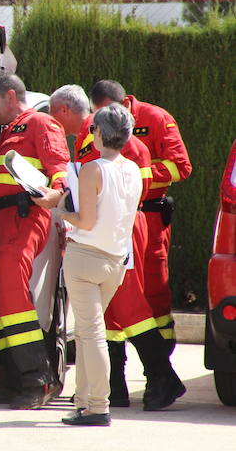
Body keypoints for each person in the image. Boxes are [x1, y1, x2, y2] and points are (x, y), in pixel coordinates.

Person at [58, 85, 186, 410]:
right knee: (113, 312)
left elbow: (116, 196)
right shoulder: (107, 145)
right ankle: (115, 386)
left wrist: (66, 208)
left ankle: (162, 377)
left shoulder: (120, 148)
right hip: (116, 231)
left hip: (117, 231)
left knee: (129, 307)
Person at [51, 103, 143, 426]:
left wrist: (61, 212)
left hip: (85, 257)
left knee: (91, 334)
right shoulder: (133, 170)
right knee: (94, 332)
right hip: (116, 261)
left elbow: (86, 221)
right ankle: (84, 400)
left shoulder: (93, 169)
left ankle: (98, 405)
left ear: (100, 133)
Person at [0, 74, 69, 409]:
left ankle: (38, 381)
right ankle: (17, 381)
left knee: (13, 302)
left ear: (11, 95)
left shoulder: (39, 122)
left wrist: (56, 191)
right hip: (0, 223)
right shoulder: (8, 133)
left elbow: (59, 166)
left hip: (23, 217)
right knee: (1, 308)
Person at [90, 80, 192, 350]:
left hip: (149, 214)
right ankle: (121, 365)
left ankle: (159, 366)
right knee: (118, 291)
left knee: (154, 289)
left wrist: (134, 174)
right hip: (113, 218)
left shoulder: (155, 118)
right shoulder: (95, 126)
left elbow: (181, 166)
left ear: (124, 104)